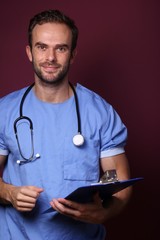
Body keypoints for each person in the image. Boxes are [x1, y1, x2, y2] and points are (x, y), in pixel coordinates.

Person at [0, 9, 132, 240]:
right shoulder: (5, 111)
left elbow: (121, 182)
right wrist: (8, 192)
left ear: (72, 54)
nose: (50, 57)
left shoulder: (100, 112)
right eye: (42, 47)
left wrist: (104, 212)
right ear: (29, 52)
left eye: (60, 48)